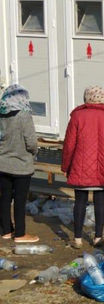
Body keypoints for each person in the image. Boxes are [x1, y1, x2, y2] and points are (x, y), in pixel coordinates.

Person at [62, 86, 104, 249]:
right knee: (100, 201)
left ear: (87, 98)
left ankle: (77, 239)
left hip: (80, 166)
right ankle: (97, 238)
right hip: (103, 166)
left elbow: (69, 145)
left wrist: (66, 166)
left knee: (80, 201)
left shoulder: (77, 115)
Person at [0, 85, 39, 242]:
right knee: (20, 200)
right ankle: (20, 234)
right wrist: (33, 153)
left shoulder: (1, 116)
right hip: (21, 165)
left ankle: (7, 230)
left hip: (2, 163)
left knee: (4, 198)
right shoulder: (24, 116)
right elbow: (31, 142)